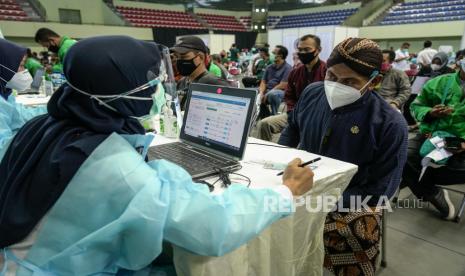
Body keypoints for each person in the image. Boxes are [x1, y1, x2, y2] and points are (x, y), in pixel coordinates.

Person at [0, 36, 314, 274]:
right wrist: (285, 192)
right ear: (119, 91)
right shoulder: (115, 169)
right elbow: (213, 228)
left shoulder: (47, 124)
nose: (156, 86)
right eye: (148, 81)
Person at [279, 38, 408, 275]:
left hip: (352, 199)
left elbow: (382, 190)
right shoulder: (312, 93)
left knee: (356, 229)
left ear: (374, 82)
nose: (337, 86)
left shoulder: (389, 124)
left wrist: (321, 201)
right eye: (332, 77)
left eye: (349, 82)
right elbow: (292, 129)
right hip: (302, 185)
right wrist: (282, 165)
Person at [402, 55, 465, 220]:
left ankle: (416, 180)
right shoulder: (439, 82)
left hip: (461, 142)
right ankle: (433, 193)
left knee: (412, 170)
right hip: (431, 135)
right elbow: (416, 106)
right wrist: (430, 113)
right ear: (460, 61)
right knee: (402, 156)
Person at [257, 34, 326, 141]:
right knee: (264, 124)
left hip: (317, 119)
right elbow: (289, 97)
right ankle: (264, 154)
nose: (302, 53)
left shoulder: (327, 72)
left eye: (307, 49)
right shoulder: (295, 73)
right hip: (295, 115)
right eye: (300, 50)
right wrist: (293, 113)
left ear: (318, 50)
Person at [0, 39, 47, 148]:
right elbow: (3, 150)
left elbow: (21, 114)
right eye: (21, 65)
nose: (24, 70)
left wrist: (53, 106)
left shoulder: (5, 93)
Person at [171, 36, 230, 109]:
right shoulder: (182, 82)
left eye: (183, 57)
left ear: (201, 57)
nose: (178, 61)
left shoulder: (214, 83)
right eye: (176, 57)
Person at [259, 45, 292, 116]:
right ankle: (263, 116)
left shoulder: (288, 68)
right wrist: (261, 93)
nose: (271, 55)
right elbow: (263, 82)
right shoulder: (269, 67)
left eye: (274, 53)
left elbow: (283, 85)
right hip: (268, 90)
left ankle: (275, 116)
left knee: (273, 94)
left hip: (280, 92)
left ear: (280, 55)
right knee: (251, 92)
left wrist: (267, 94)